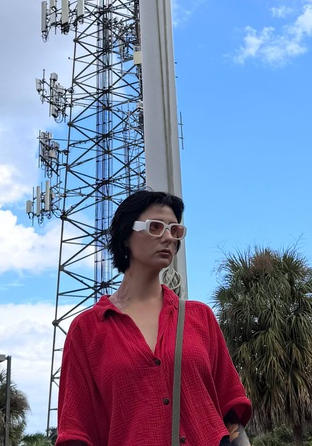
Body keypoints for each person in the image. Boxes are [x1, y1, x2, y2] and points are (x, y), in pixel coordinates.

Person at [56, 190, 252, 446]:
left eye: (175, 230)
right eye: (156, 227)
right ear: (126, 235)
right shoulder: (87, 329)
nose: (168, 237)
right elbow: (76, 430)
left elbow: (230, 407)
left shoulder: (199, 317)